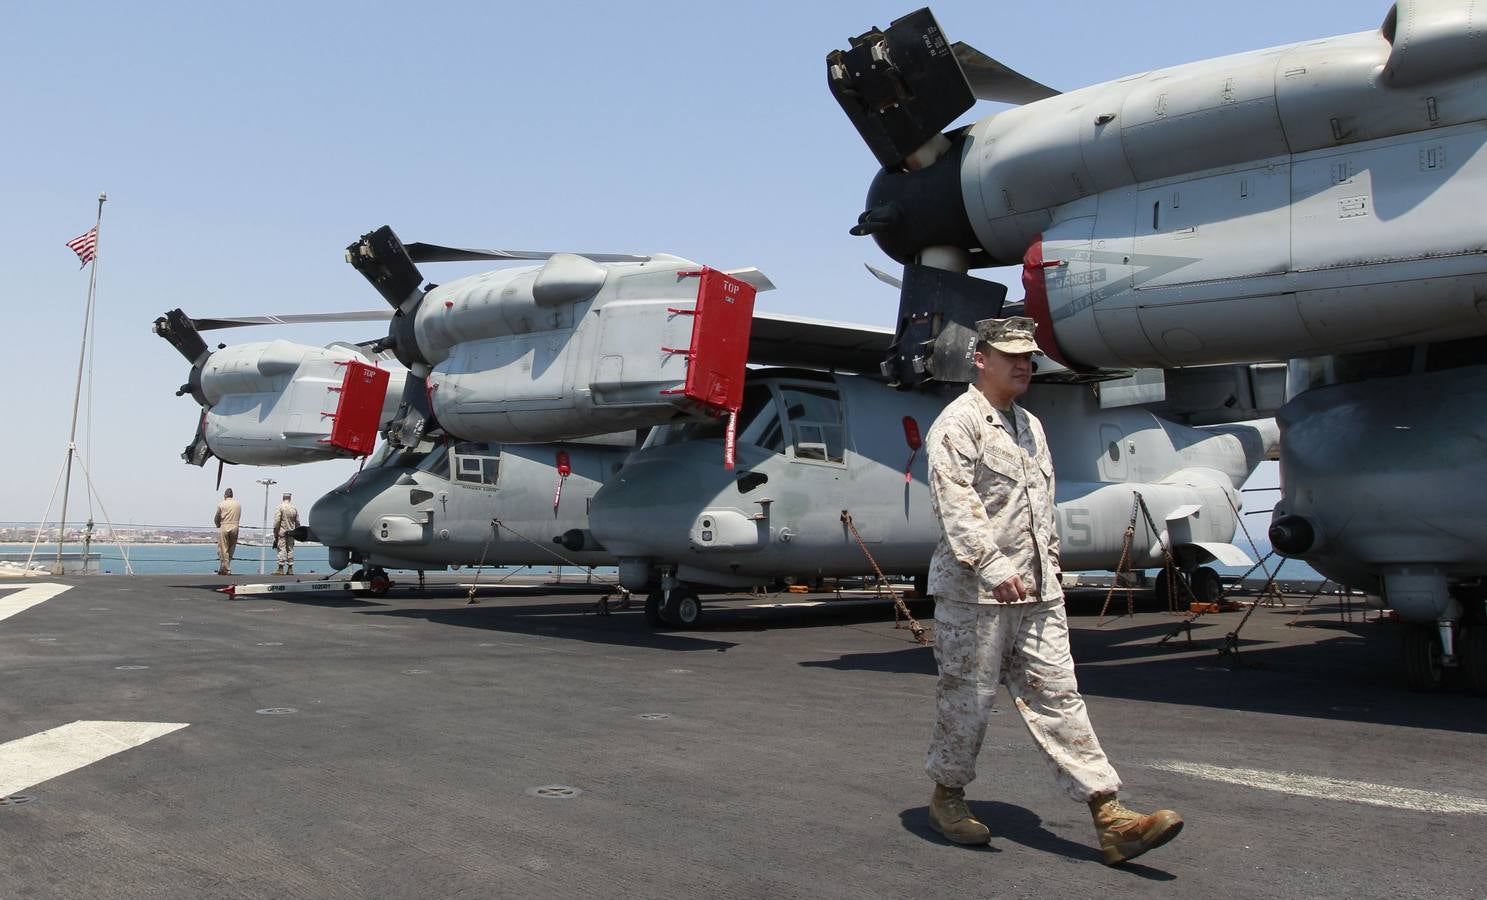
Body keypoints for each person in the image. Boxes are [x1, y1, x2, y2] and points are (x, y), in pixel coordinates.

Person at [922, 316, 1182, 866]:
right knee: (967, 702)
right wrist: (993, 566)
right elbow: (957, 508)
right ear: (980, 359)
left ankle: (1110, 817)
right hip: (977, 597)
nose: (1024, 364)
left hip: (1038, 595)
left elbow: (1043, 513)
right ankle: (947, 797)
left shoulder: (1031, 427)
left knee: (1061, 699)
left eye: (1029, 356)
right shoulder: (957, 425)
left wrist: (1052, 577)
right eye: (1011, 354)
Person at [214, 488, 242, 576]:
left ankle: (226, 569)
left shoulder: (221, 504)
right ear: (232, 495)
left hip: (225, 525)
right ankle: (225, 567)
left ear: (225, 496)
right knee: (231, 548)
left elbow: (217, 517)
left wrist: (218, 524)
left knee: (223, 548)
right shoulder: (238, 504)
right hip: (235, 526)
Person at [272, 492, 300, 576]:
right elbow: (297, 522)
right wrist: (297, 531)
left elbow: (277, 521)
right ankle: (290, 568)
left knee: (282, 549)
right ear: (290, 498)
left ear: (283, 498)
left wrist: (275, 532)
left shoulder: (280, 507)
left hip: (282, 531)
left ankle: (280, 569)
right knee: (290, 549)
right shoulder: (294, 508)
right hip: (292, 532)